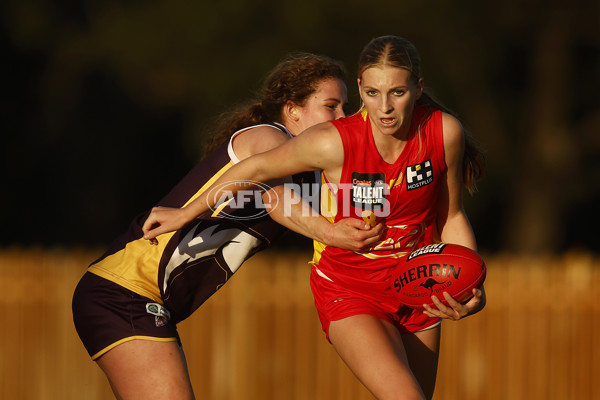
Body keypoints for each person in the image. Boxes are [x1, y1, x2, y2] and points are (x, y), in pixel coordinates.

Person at [142, 36, 487, 400]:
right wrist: (187, 211)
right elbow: (256, 167)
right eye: (372, 93)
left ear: (418, 87)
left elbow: (451, 217)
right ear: (359, 88)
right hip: (350, 289)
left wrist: (472, 285)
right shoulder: (333, 141)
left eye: (397, 93)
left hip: (417, 285)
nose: (384, 107)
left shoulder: (444, 132)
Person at [72, 53, 385, 400]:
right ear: (294, 110)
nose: (343, 116)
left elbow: (374, 219)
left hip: (147, 303)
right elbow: (275, 198)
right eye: (332, 105)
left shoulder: (314, 174)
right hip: (123, 292)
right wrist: (330, 231)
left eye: (345, 106)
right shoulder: (268, 137)